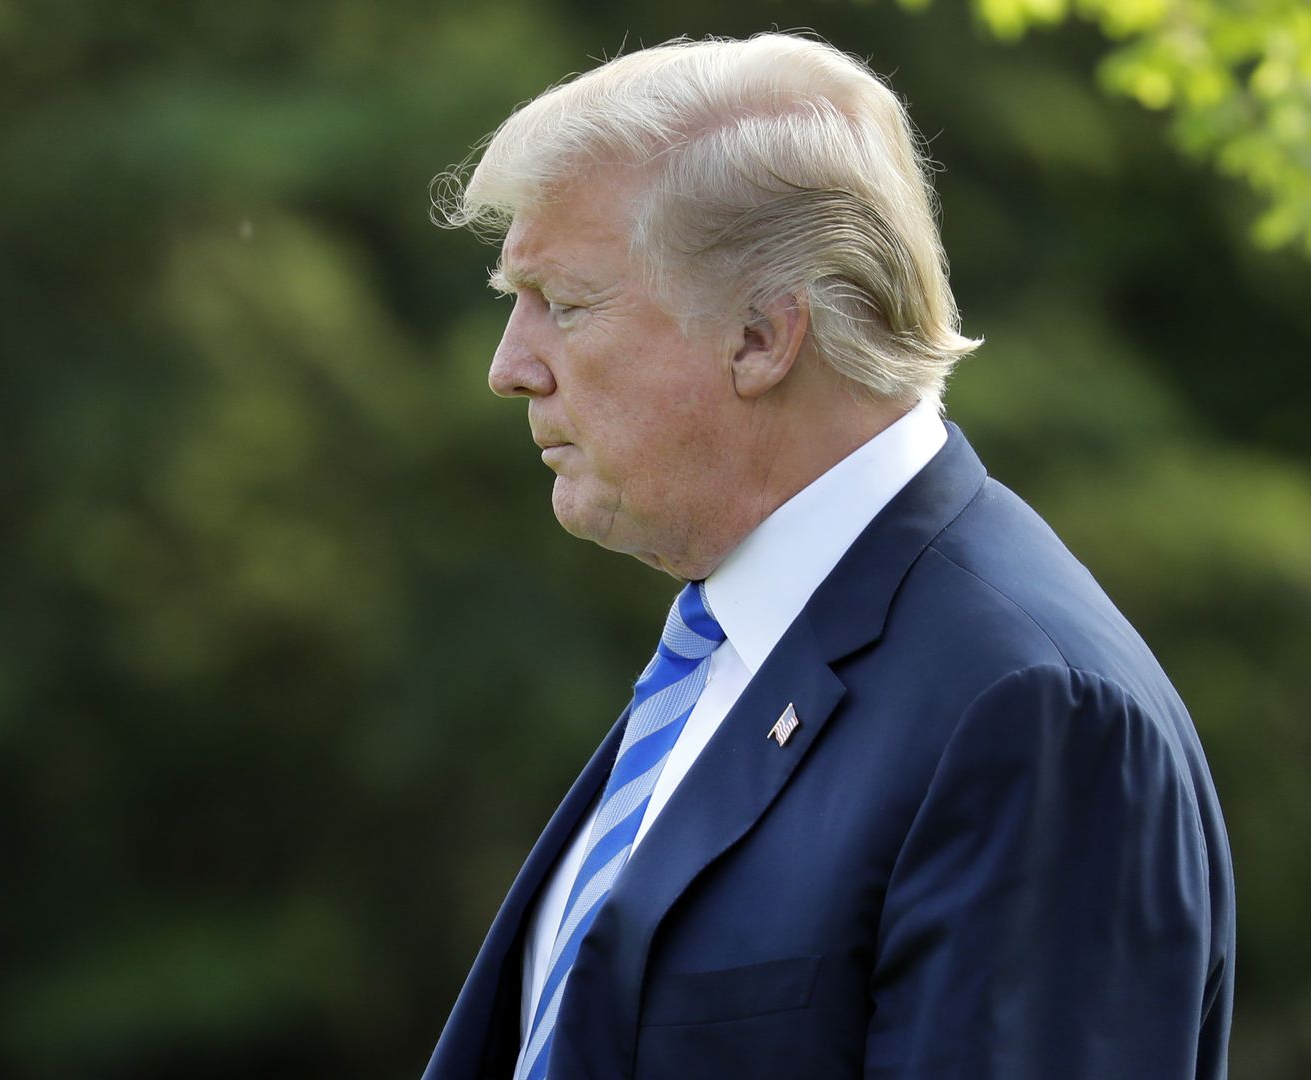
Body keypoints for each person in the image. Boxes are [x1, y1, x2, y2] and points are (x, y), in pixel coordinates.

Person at [422, 33, 1233, 1080]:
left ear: (763, 336)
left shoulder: (1034, 712)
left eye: (566, 305)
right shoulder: (736, 642)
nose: (510, 368)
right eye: (513, 303)